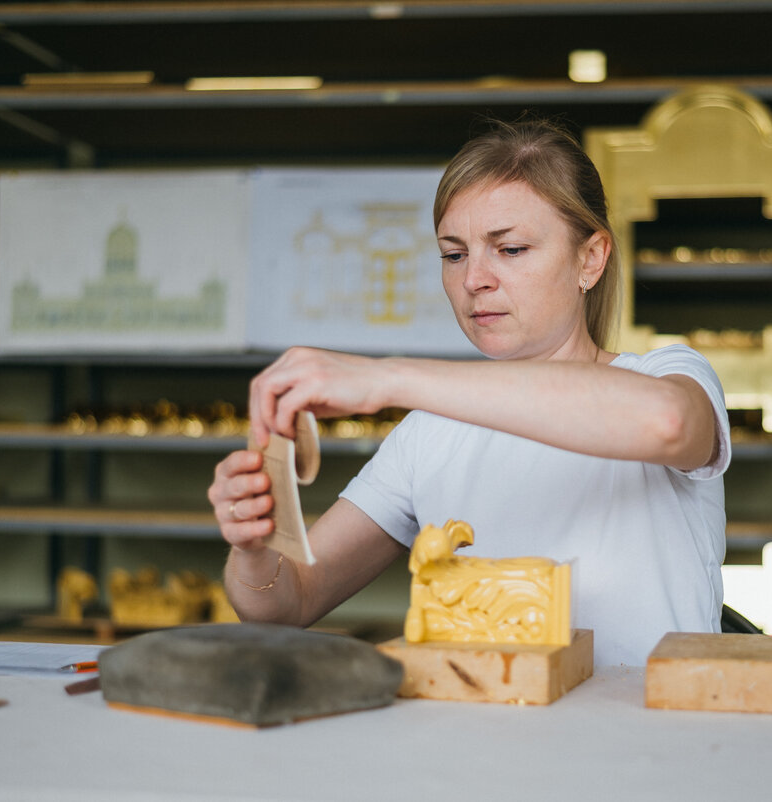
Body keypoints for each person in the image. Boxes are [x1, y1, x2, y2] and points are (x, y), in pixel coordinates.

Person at [208, 118, 731, 666]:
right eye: (454, 254)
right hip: (483, 744)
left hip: (652, 743)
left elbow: (667, 424)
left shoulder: (666, 373)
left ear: (590, 259)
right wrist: (254, 548)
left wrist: (384, 377)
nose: (473, 279)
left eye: (510, 249)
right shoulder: (429, 433)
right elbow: (287, 603)